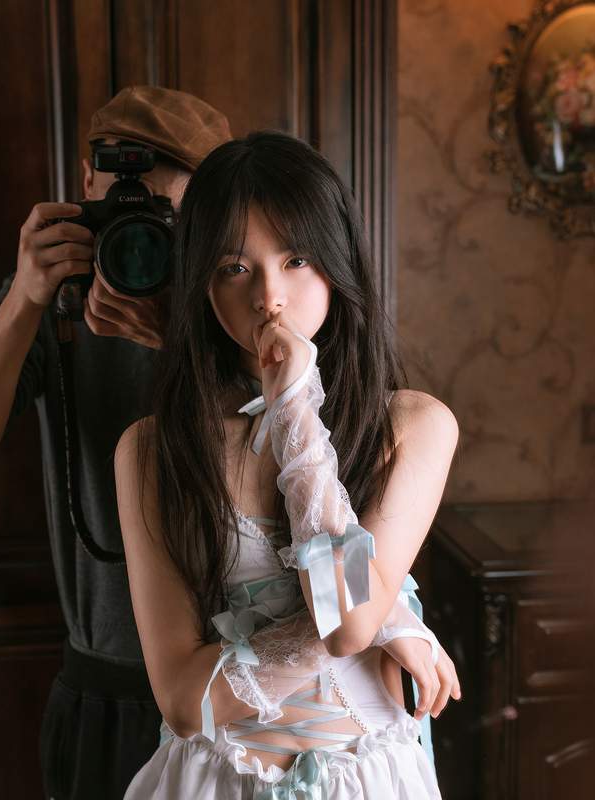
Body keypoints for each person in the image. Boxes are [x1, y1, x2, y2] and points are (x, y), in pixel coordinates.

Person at [114, 131, 462, 798]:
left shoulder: (414, 426)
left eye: (296, 259)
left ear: (336, 262)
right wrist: (389, 616)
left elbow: (347, 622)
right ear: (202, 283)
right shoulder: (154, 449)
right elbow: (183, 702)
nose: (268, 297)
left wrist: (296, 406)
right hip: (216, 782)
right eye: (234, 267)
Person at [0, 86, 232, 799]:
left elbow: (291, 463)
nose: (139, 229)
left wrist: (180, 343)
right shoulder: (55, 295)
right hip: (102, 686)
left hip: (232, 678)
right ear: (88, 184)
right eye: (120, 197)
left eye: (163, 211)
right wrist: (26, 295)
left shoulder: (238, 294)